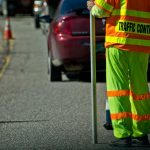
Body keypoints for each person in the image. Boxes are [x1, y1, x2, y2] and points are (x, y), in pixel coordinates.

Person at [87, 0, 150, 147]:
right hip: (141, 42)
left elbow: (102, 9)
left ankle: (124, 134)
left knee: (118, 90)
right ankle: (141, 133)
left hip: (118, 42)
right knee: (140, 89)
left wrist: (92, 7)